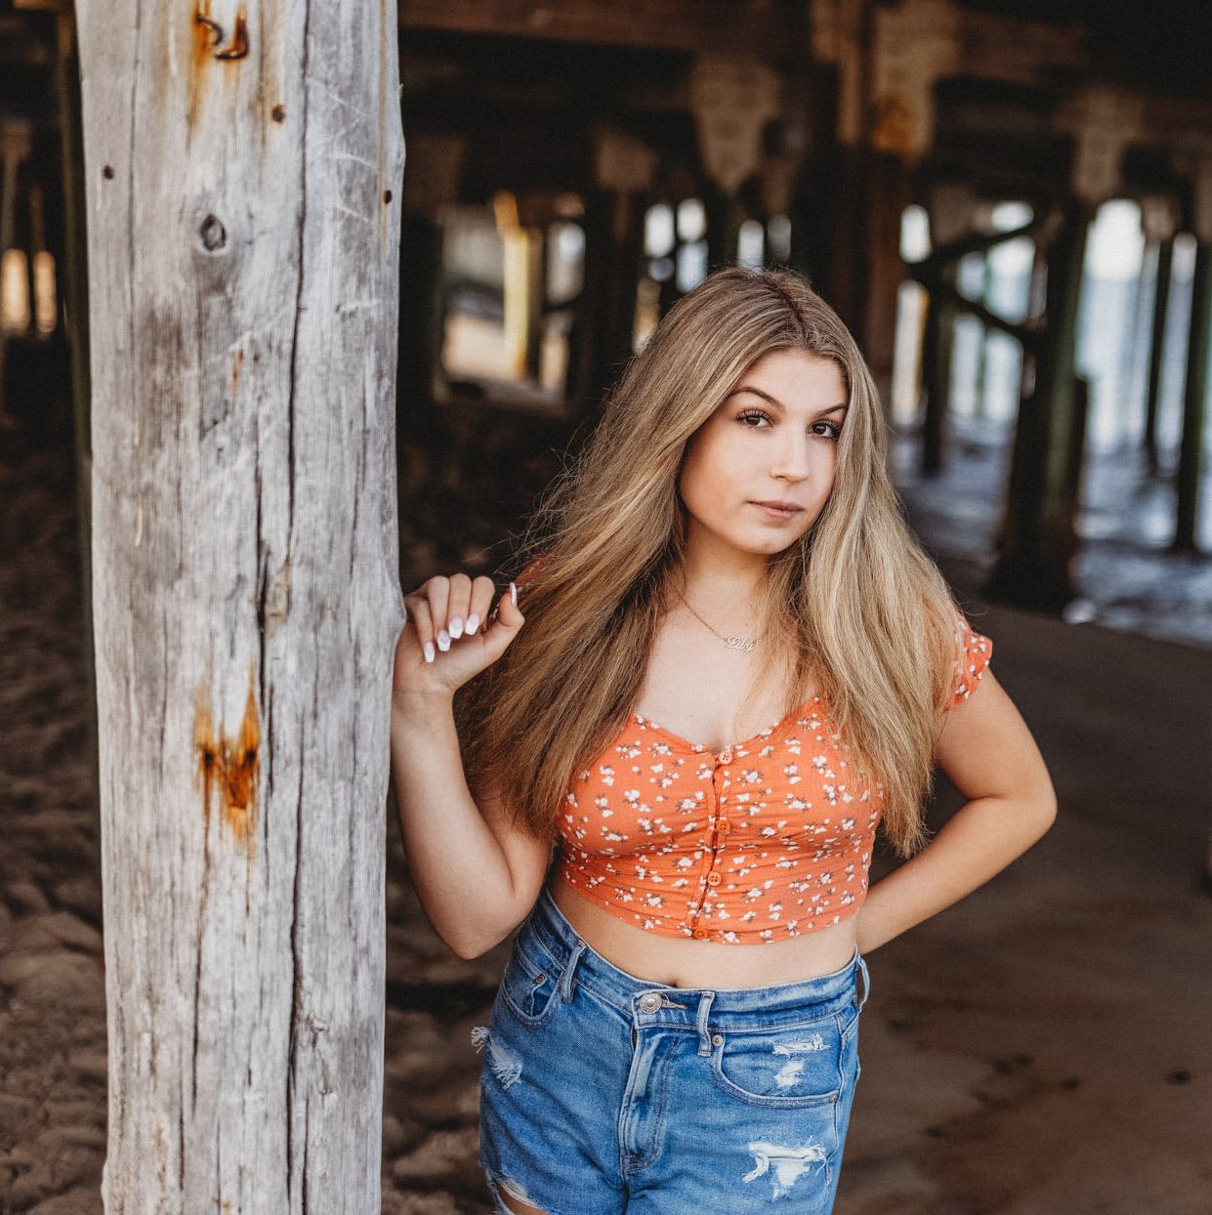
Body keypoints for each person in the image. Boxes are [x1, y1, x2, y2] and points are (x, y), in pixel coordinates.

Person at [389, 266, 1057, 1214]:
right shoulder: (567, 608)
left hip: (770, 1082)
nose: (795, 465)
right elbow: (475, 917)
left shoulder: (889, 619)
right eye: (755, 419)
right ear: (680, 419)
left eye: (823, 429)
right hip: (563, 1037)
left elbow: (1019, 796)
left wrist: (850, 935)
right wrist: (419, 708)